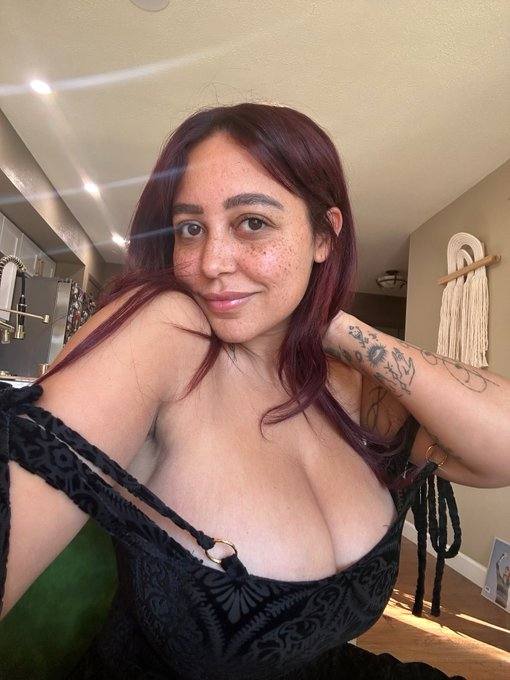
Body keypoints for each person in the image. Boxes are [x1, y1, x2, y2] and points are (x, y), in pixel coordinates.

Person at [1, 103, 509, 680]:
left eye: (252, 222)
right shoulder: (167, 333)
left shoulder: (349, 388)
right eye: (191, 228)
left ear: (323, 236)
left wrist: (333, 325)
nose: (211, 263)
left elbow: (500, 447)